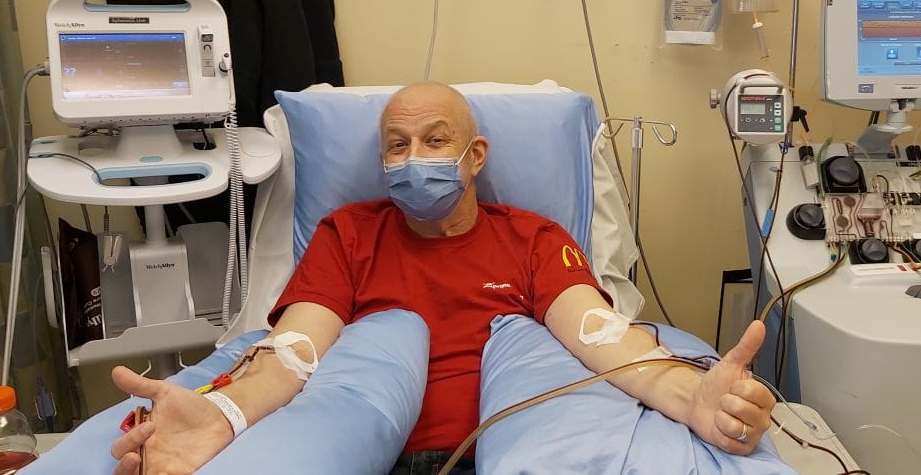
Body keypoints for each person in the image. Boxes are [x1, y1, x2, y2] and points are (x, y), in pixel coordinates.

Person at [108, 82, 775, 474]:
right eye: (397, 146)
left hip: (502, 457)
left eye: (434, 140)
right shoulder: (349, 235)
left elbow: (601, 336)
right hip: (377, 458)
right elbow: (296, 351)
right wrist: (223, 413)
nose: (413, 158)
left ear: (474, 154)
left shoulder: (533, 238)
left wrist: (693, 398)